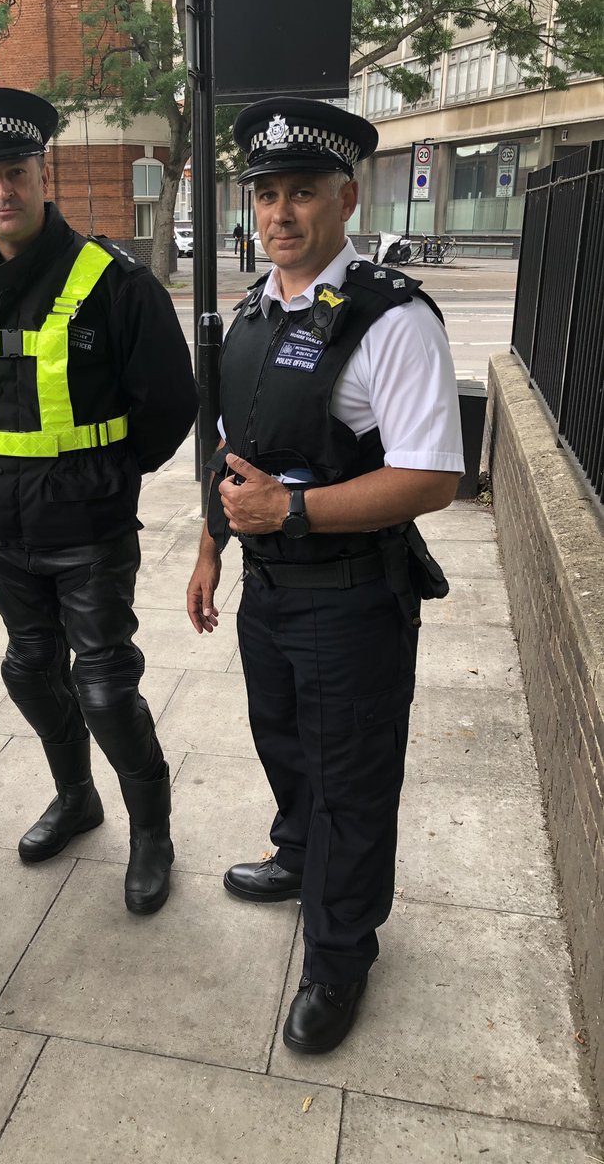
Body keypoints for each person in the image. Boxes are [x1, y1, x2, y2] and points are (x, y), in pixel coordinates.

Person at [186, 98, 463, 1052]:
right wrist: (213, 544)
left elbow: (432, 477)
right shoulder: (253, 311)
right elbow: (233, 446)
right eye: (266, 193)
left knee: (351, 776)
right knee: (284, 743)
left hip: (353, 602)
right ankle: (297, 858)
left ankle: (341, 957)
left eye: (303, 192)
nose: (280, 212)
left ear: (347, 197)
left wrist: (293, 511)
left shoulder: (392, 320)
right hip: (269, 590)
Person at [0, 88, 198, 915]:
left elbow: (171, 401)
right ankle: (77, 798)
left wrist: (111, 477)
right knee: (27, 668)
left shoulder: (112, 282)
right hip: (1, 517)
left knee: (106, 687)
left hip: (87, 520)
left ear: (40, 174)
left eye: (13, 172)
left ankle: (151, 830)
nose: (0, 191)